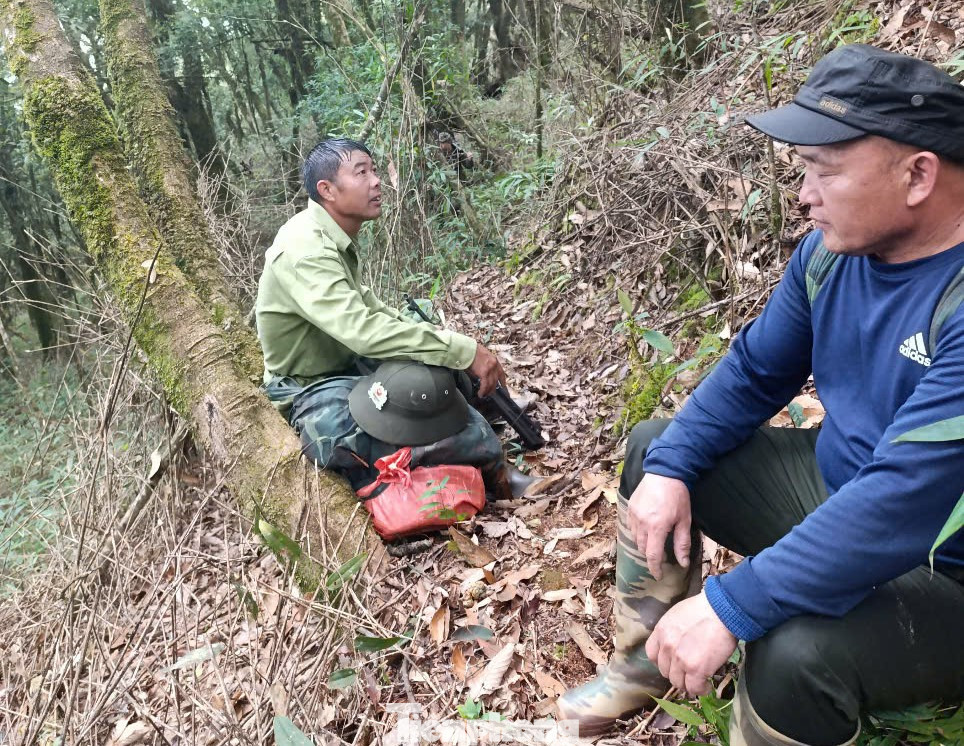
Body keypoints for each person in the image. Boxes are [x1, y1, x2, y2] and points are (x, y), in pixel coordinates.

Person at [558, 44, 964, 746]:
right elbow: (753, 374)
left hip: (944, 563)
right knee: (661, 452)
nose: (802, 195)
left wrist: (733, 604)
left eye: (823, 172)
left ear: (918, 174)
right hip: (844, 488)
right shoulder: (831, 257)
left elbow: (905, 499)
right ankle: (645, 666)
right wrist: (672, 466)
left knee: (789, 657)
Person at [255, 138, 504, 399]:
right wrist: (462, 350)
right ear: (327, 190)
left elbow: (375, 311)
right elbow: (363, 331)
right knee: (421, 398)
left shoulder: (330, 236)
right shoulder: (305, 248)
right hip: (306, 387)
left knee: (435, 362)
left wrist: (450, 346)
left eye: (374, 170)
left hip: (346, 365)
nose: (376, 180)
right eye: (361, 172)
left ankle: (486, 408)